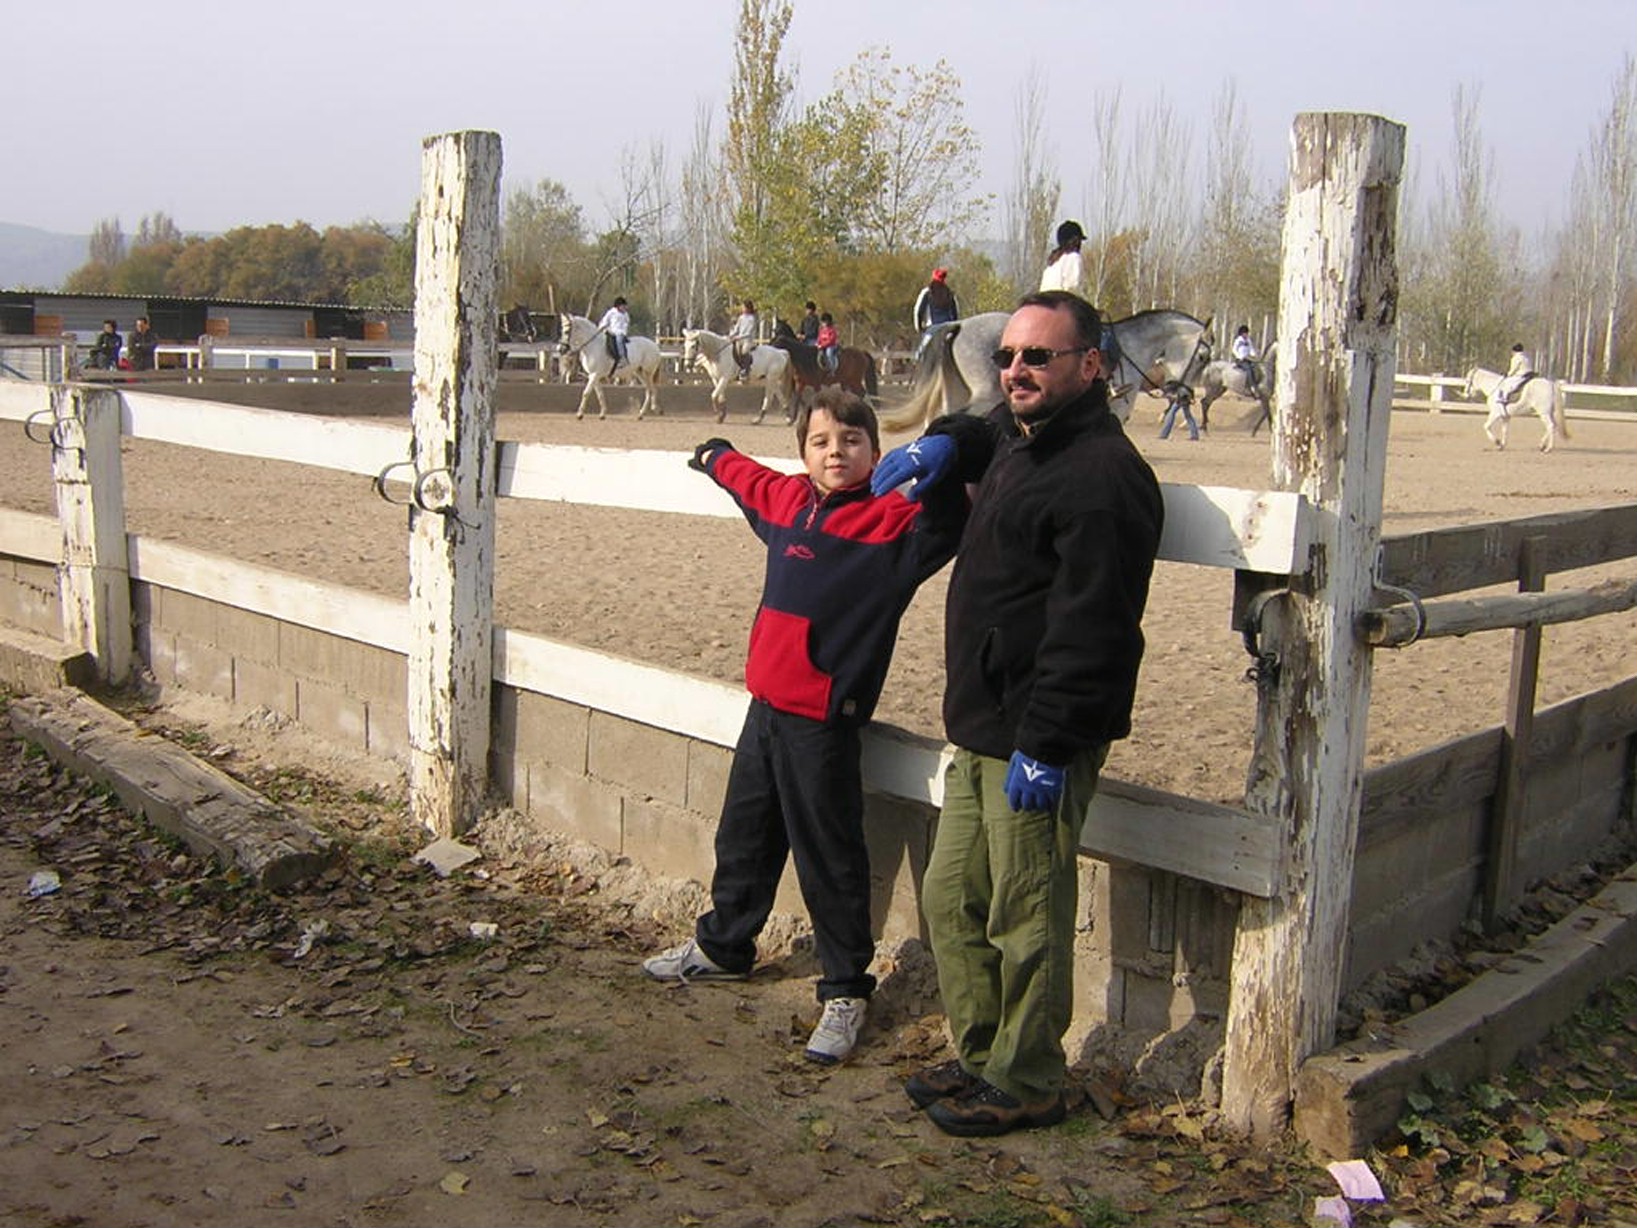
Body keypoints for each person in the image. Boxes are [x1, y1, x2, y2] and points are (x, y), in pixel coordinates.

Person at [871, 290, 1164, 1138]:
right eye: (1007, 356)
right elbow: (986, 426)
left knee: (1024, 912)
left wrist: (1050, 742)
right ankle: (980, 1057)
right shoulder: (1023, 433)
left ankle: (1029, 1077)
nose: (1015, 370)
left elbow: (1095, 628)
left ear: (1090, 365)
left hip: (1035, 735)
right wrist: (941, 439)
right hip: (981, 724)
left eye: (1038, 356)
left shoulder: (1101, 476)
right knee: (951, 899)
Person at [642, 389, 973, 1067]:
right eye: (820, 442)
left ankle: (845, 989)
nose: (836, 452)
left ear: (875, 452)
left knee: (829, 855)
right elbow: (750, 481)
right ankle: (724, 946)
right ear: (804, 453)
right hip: (764, 707)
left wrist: (941, 463)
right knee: (744, 834)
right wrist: (715, 455)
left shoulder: (895, 524)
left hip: (823, 722)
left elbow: (952, 518)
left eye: (851, 441)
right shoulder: (790, 503)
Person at [1038, 220, 1088, 297]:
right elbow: (1072, 288)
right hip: (1060, 302)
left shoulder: (1052, 263)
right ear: (1076, 241)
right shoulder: (1073, 258)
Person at [913, 268, 959, 335]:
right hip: (947, 328)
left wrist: (919, 328)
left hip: (932, 329)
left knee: (924, 342)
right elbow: (955, 314)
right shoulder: (949, 293)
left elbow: (918, 311)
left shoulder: (927, 292)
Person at [1492, 342, 1534, 411]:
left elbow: (1514, 369)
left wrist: (1507, 375)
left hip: (1521, 375)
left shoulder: (1516, 358)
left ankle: (1503, 398)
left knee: (1504, 383)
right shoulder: (1526, 357)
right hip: (1529, 375)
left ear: (1514, 351)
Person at [728, 299, 758, 381]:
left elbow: (748, 332)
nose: (742, 309)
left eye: (743, 307)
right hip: (739, 339)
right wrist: (731, 335)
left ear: (748, 308)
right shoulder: (741, 317)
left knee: (744, 351)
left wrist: (738, 337)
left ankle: (746, 370)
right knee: (734, 350)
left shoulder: (752, 319)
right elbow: (736, 329)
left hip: (748, 340)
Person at [598, 296, 631, 371]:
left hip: (620, 332)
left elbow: (626, 323)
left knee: (619, 341)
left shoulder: (625, 314)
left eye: (624, 306)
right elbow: (605, 320)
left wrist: (623, 332)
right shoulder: (611, 312)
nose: (624, 308)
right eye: (623, 306)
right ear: (618, 306)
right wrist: (601, 327)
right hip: (611, 331)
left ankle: (623, 358)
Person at [1231, 325, 1261, 390]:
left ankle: (1257, 383)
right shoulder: (1238, 340)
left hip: (1248, 358)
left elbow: (1251, 348)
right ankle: (1252, 385)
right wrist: (1239, 356)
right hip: (1240, 360)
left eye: (1247, 333)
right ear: (1242, 333)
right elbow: (1234, 350)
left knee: (1255, 367)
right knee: (1248, 369)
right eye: (1245, 333)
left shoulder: (1248, 340)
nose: (1246, 334)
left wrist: (1254, 355)